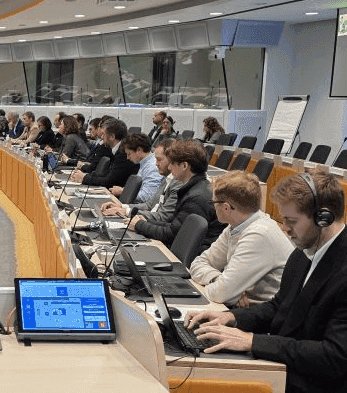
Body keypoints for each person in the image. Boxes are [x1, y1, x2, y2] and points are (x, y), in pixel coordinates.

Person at [188, 172, 347, 393]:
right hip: (284, 367)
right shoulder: (304, 252)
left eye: (291, 221)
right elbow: (278, 306)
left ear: (324, 218)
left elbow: (335, 355)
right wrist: (231, 317)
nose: (285, 228)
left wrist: (253, 342)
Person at [189, 171, 293, 307]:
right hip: (245, 309)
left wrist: (227, 290)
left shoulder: (259, 234)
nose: (213, 206)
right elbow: (198, 263)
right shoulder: (236, 226)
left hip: (264, 316)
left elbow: (219, 294)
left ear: (226, 208)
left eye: (213, 202)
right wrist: (217, 279)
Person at [131, 140, 224, 252]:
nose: (169, 168)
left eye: (172, 164)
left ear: (184, 166)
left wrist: (140, 225)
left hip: (191, 257)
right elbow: (175, 226)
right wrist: (147, 222)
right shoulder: (197, 187)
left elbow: (173, 234)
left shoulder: (196, 198)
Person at [100, 140, 179, 222]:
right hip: (147, 219)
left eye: (159, 159)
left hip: (151, 223)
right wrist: (122, 206)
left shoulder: (176, 184)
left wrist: (126, 211)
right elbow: (149, 205)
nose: (156, 163)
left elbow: (162, 216)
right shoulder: (166, 179)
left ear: (172, 160)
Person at [71, 119, 137, 190]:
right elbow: (106, 175)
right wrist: (85, 176)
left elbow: (109, 181)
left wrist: (84, 178)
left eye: (103, 134)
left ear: (112, 136)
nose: (101, 137)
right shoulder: (116, 150)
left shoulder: (123, 154)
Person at [110, 132, 163, 203]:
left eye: (129, 154)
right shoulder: (145, 163)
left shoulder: (152, 167)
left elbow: (148, 197)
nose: (128, 158)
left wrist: (123, 191)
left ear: (139, 150)